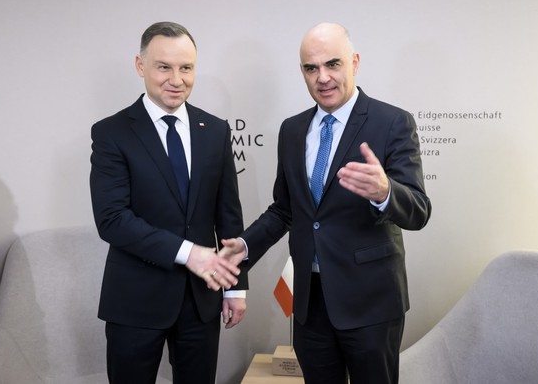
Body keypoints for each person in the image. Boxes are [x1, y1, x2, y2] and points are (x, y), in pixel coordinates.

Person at [220, 22, 431, 384]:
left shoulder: (392, 122)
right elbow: (284, 210)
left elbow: (418, 210)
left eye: (333, 64)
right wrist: (244, 245)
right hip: (309, 303)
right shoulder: (292, 130)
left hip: (371, 302)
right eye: (311, 68)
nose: (323, 77)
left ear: (355, 62)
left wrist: (384, 193)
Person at [89, 21, 247, 384]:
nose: (177, 79)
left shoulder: (216, 130)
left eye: (186, 68)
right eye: (164, 67)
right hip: (134, 300)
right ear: (140, 66)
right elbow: (112, 219)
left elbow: (228, 216)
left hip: (201, 301)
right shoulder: (111, 133)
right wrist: (190, 253)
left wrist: (235, 286)